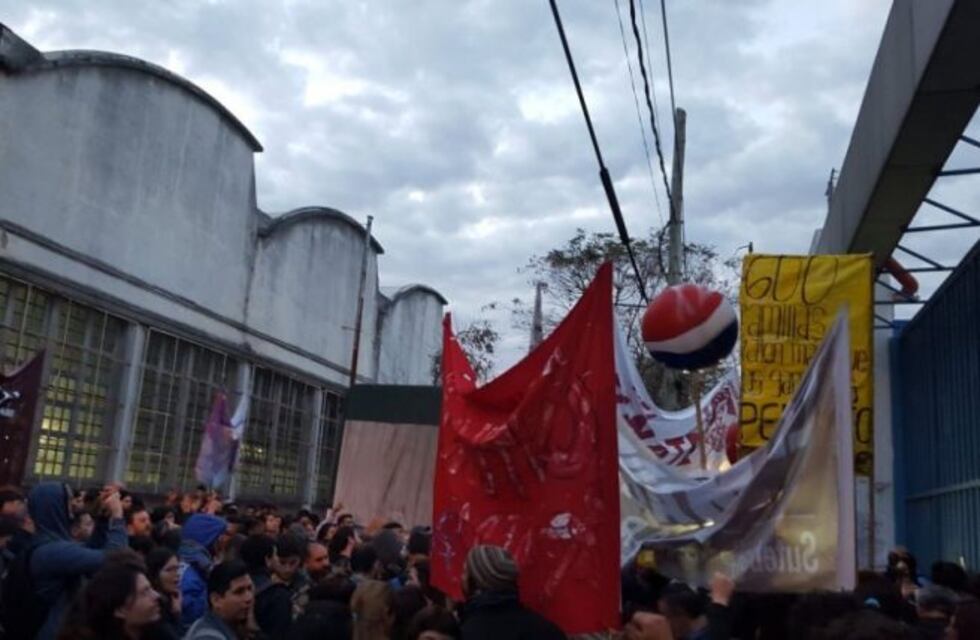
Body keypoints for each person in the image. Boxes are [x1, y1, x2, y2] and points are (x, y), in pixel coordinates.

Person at [28, 482, 128, 640]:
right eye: (68, 501)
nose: (74, 505)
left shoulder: (49, 544)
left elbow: (90, 553)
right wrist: (117, 516)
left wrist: (102, 520)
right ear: (55, 507)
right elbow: (117, 560)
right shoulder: (52, 551)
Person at [458, 545, 566, 640]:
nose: (461, 578)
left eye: (465, 572)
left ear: (478, 580)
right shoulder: (546, 630)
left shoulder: (467, 632)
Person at [56, 562, 161, 640]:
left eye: (151, 588)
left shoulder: (154, 631)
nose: (157, 595)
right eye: (144, 592)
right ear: (120, 610)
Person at [184, 560, 254, 640]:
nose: (249, 598)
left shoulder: (237, 629)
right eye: (239, 592)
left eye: (250, 589)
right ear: (216, 600)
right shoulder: (206, 636)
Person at [179, 513, 228, 627]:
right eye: (220, 537)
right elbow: (194, 616)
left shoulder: (200, 566)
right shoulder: (190, 575)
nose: (223, 543)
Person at [240, 534, 293, 636]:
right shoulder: (277, 595)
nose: (277, 559)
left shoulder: (233, 586)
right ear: (267, 560)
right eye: (275, 555)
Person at [146, 547, 184, 640]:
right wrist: (176, 616)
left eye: (177, 569)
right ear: (154, 574)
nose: (177, 574)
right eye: (170, 570)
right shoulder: (152, 612)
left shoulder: (172, 602)